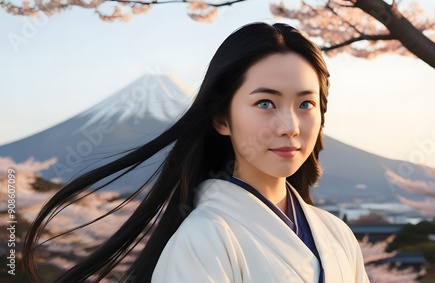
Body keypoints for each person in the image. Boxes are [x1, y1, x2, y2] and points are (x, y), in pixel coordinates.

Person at [23, 22, 369, 282]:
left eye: (306, 103)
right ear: (222, 119)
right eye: (265, 102)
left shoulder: (336, 234)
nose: (289, 126)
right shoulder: (204, 238)